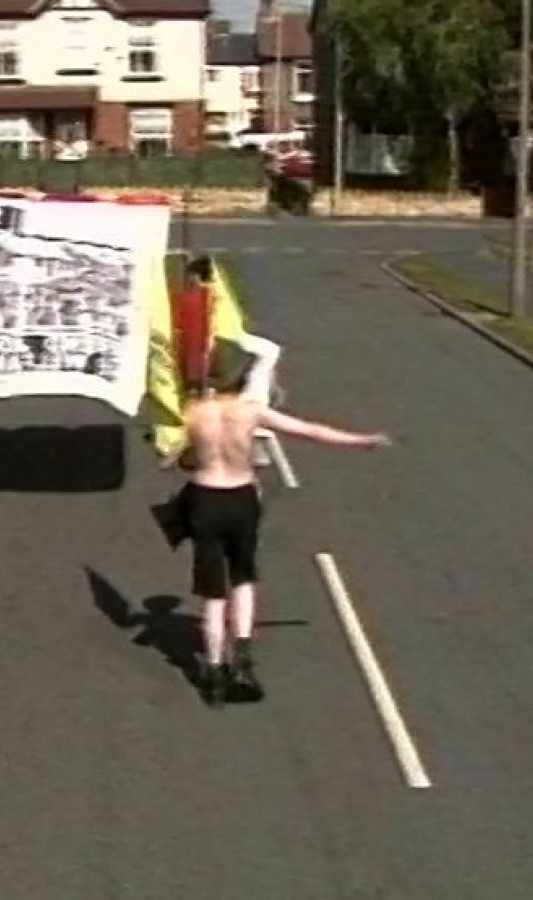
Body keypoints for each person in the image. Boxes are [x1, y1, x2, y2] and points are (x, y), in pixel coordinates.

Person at [165, 340, 391, 708]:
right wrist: (361, 440)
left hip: (204, 499)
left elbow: (174, 458)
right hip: (240, 498)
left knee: (212, 593)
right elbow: (310, 431)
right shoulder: (251, 412)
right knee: (242, 578)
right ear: (239, 378)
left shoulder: (194, 413)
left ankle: (214, 671)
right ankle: (242, 652)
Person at [185, 256, 286, 468]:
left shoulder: (198, 295)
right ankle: (254, 416)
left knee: (267, 355)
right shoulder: (211, 291)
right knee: (266, 358)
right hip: (226, 344)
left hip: (223, 343)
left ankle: (256, 403)